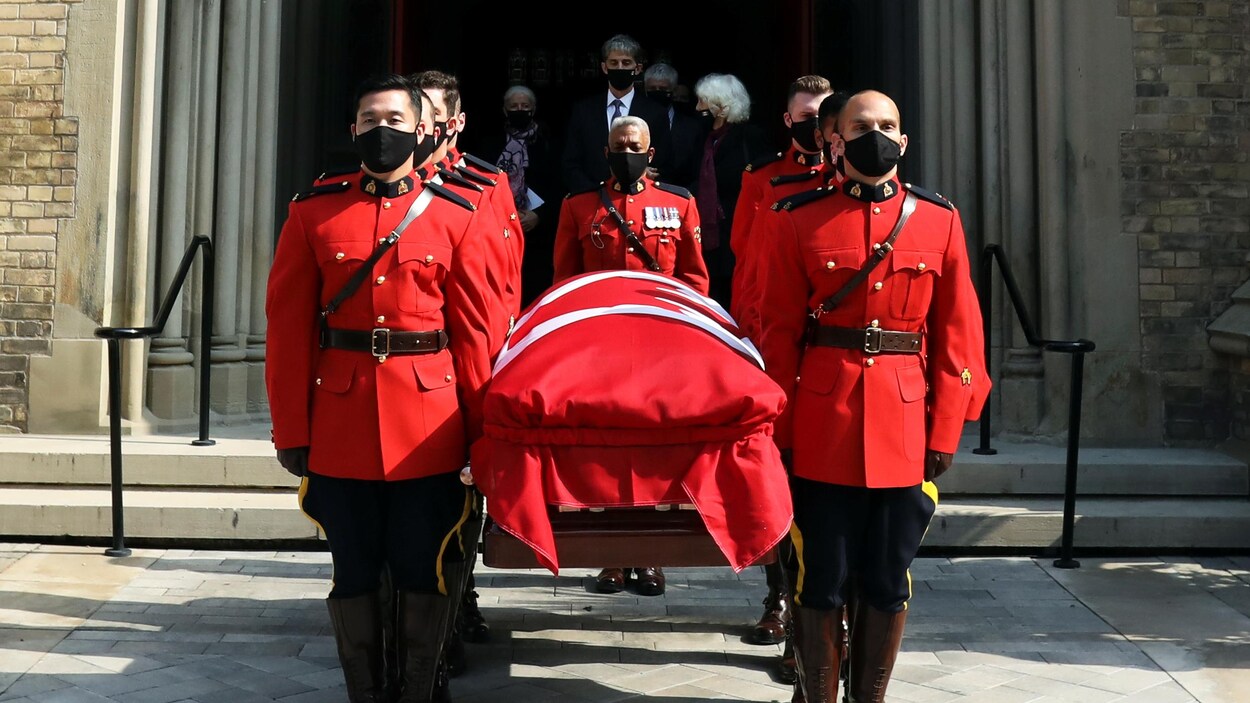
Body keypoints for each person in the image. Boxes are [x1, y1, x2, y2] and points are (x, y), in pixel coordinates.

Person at [266, 73, 503, 703]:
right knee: (354, 575)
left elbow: (474, 336)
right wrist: (291, 429)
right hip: (341, 424)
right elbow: (288, 330)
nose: (383, 131)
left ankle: (420, 691)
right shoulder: (313, 211)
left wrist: (483, 435)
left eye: (396, 120)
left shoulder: (458, 213)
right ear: (353, 130)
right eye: (370, 120)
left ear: (423, 129)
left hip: (430, 423)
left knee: (422, 569)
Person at [756, 89, 989, 703]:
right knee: (821, 580)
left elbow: (959, 335)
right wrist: (777, 433)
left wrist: (945, 432)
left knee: (887, 579)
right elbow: (776, 335)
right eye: (862, 125)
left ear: (904, 140)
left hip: (906, 425)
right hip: (822, 424)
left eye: (888, 125)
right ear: (836, 140)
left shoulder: (939, 220)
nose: (876, 134)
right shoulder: (797, 218)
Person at [553, 115, 709, 597]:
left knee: (654, 452)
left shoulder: (678, 204)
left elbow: (695, 279)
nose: (627, 153)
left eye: (635, 146)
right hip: (599, 352)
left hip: (659, 349)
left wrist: (690, 340)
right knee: (607, 451)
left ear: (650, 153)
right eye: (619, 146)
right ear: (606, 152)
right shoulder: (579, 207)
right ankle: (611, 559)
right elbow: (563, 281)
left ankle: (651, 557)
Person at [731, 75, 833, 341]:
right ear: (789, 120)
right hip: (776, 314)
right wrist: (748, 324)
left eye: (821, 115)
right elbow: (747, 259)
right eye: (806, 115)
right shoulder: (762, 177)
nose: (815, 124)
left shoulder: (842, 174)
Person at [689, 72, 772, 309]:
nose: (697, 108)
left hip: (736, 229)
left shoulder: (750, 138)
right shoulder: (703, 137)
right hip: (705, 231)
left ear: (721, 105)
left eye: (703, 101)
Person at [474, 85, 561, 306]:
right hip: (498, 228)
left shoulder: (549, 142)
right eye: (514, 106)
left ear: (534, 109)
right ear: (504, 110)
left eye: (525, 106)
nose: (519, 110)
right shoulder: (490, 142)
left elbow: (559, 183)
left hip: (538, 232)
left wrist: (539, 215)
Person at [561, 33, 672, 193]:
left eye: (626, 63)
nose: (619, 67)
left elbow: (664, 165)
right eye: (614, 62)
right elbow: (570, 162)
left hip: (638, 198)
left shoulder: (655, 113)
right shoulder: (583, 111)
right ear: (605, 67)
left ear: (638, 68)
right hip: (591, 199)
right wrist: (592, 194)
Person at [643, 62, 704, 189]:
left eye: (663, 89)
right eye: (652, 89)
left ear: (674, 90)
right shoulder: (634, 119)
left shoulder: (692, 127)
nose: (657, 92)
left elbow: (697, 170)